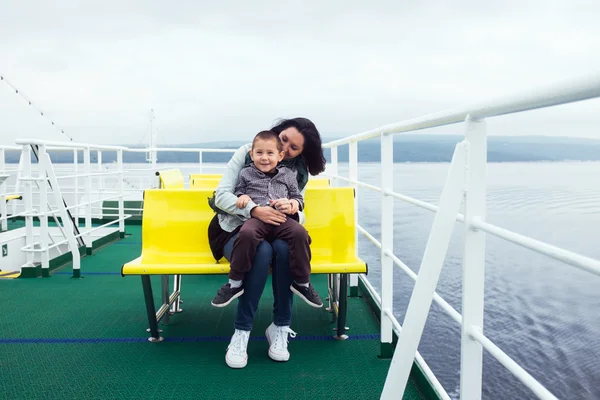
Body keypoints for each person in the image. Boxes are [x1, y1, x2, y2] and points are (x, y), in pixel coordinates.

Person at [207, 117, 326, 369]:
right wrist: (252, 209)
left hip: (278, 229)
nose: (284, 149)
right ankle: (241, 332)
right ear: (277, 133)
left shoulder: (296, 171)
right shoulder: (248, 155)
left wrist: (294, 207)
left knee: (284, 249)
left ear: (302, 153)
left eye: (293, 148)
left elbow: (299, 206)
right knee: (261, 253)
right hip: (238, 230)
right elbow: (222, 196)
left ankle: (280, 327)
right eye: (283, 139)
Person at [210, 130, 322, 309]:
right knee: (246, 233)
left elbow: (298, 197)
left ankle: (303, 283)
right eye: (259, 153)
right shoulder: (246, 173)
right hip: (256, 218)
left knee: (300, 233)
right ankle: (234, 282)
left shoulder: (288, 175)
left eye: (270, 153)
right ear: (251, 154)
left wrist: (293, 204)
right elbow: (238, 191)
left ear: (280, 156)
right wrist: (244, 199)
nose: (264, 158)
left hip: (280, 219)